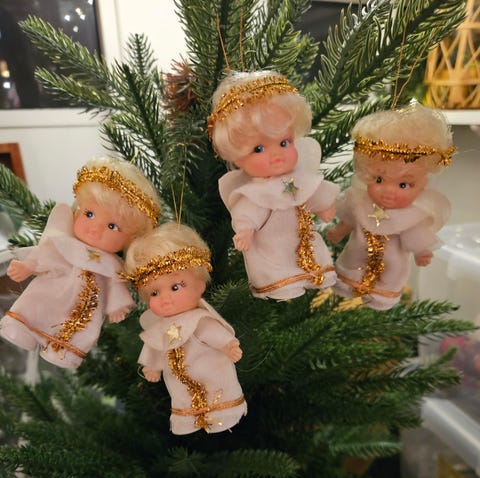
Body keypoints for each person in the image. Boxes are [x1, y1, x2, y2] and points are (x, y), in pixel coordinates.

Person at [0, 156, 161, 368]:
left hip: (86, 307)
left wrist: (116, 306)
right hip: (53, 290)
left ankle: (64, 352)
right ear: (78, 211)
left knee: (80, 329)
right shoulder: (66, 244)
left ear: (129, 240)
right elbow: (47, 255)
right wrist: (28, 266)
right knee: (36, 305)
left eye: (112, 226)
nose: (95, 228)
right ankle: (21, 329)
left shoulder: (112, 264)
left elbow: (114, 285)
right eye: (90, 214)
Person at [208, 70, 339, 301]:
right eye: (259, 149)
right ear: (238, 158)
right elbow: (249, 212)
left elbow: (312, 191)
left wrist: (324, 206)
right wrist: (245, 230)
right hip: (272, 245)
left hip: (302, 238)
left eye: (284, 143)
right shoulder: (255, 192)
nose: (277, 155)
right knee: (277, 265)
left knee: (313, 255)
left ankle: (316, 276)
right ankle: (283, 287)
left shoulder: (298, 177)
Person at [326, 102, 455, 310]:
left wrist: (421, 252)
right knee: (351, 261)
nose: (388, 192)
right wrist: (340, 231)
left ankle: (382, 295)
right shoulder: (360, 201)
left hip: (391, 261)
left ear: (422, 185)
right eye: (378, 180)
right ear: (366, 174)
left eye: (403, 184)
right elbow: (350, 218)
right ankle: (347, 283)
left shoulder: (411, 216)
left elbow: (416, 237)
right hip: (356, 252)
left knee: (392, 270)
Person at [122, 221, 247, 435]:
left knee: (217, 385)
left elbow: (213, 333)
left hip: (210, 370)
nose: (165, 299)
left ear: (200, 285)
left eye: (175, 287)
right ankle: (188, 420)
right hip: (178, 380)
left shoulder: (200, 319)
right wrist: (153, 367)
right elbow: (154, 347)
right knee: (181, 395)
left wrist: (228, 345)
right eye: (154, 293)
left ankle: (223, 412)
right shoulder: (159, 327)